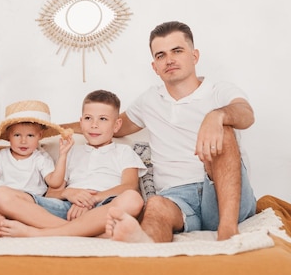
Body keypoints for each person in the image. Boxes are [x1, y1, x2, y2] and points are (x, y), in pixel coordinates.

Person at [101, 21, 257, 242]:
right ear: (155, 66)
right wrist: (54, 129)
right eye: (161, 55)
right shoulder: (149, 100)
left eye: (177, 51)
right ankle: (144, 243)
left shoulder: (219, 91)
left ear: (194, 56)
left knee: (225, 130)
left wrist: (217, 115)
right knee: (155, 205)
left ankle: (227, 231)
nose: (169, 60)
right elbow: (109, 124)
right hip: (176, 197)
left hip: (224, 194)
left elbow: (246, 114)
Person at [0, 89, 147, 238]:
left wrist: (92, 199)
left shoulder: (124, 152)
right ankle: (89, 232)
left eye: (103, 119)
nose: (94, 125)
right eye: (88, 118)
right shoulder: (71, 151)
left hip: (103, 207)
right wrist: (69, 193)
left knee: (133, 199)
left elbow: (129, 186)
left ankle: (42, 233)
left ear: (117, 125)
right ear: (81, 122)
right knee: (0, 195)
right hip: (67, 208)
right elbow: (52, 193)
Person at [0, 100, 74, 233]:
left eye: (30, 135)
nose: (23, 141)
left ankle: (6, 224)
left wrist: (63, 155)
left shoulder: (40, 158)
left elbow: (55, 182)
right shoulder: (0, 155)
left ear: (39, 136)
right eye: (17, 135)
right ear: (9, 136)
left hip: (27, 206)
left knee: (1, 208)